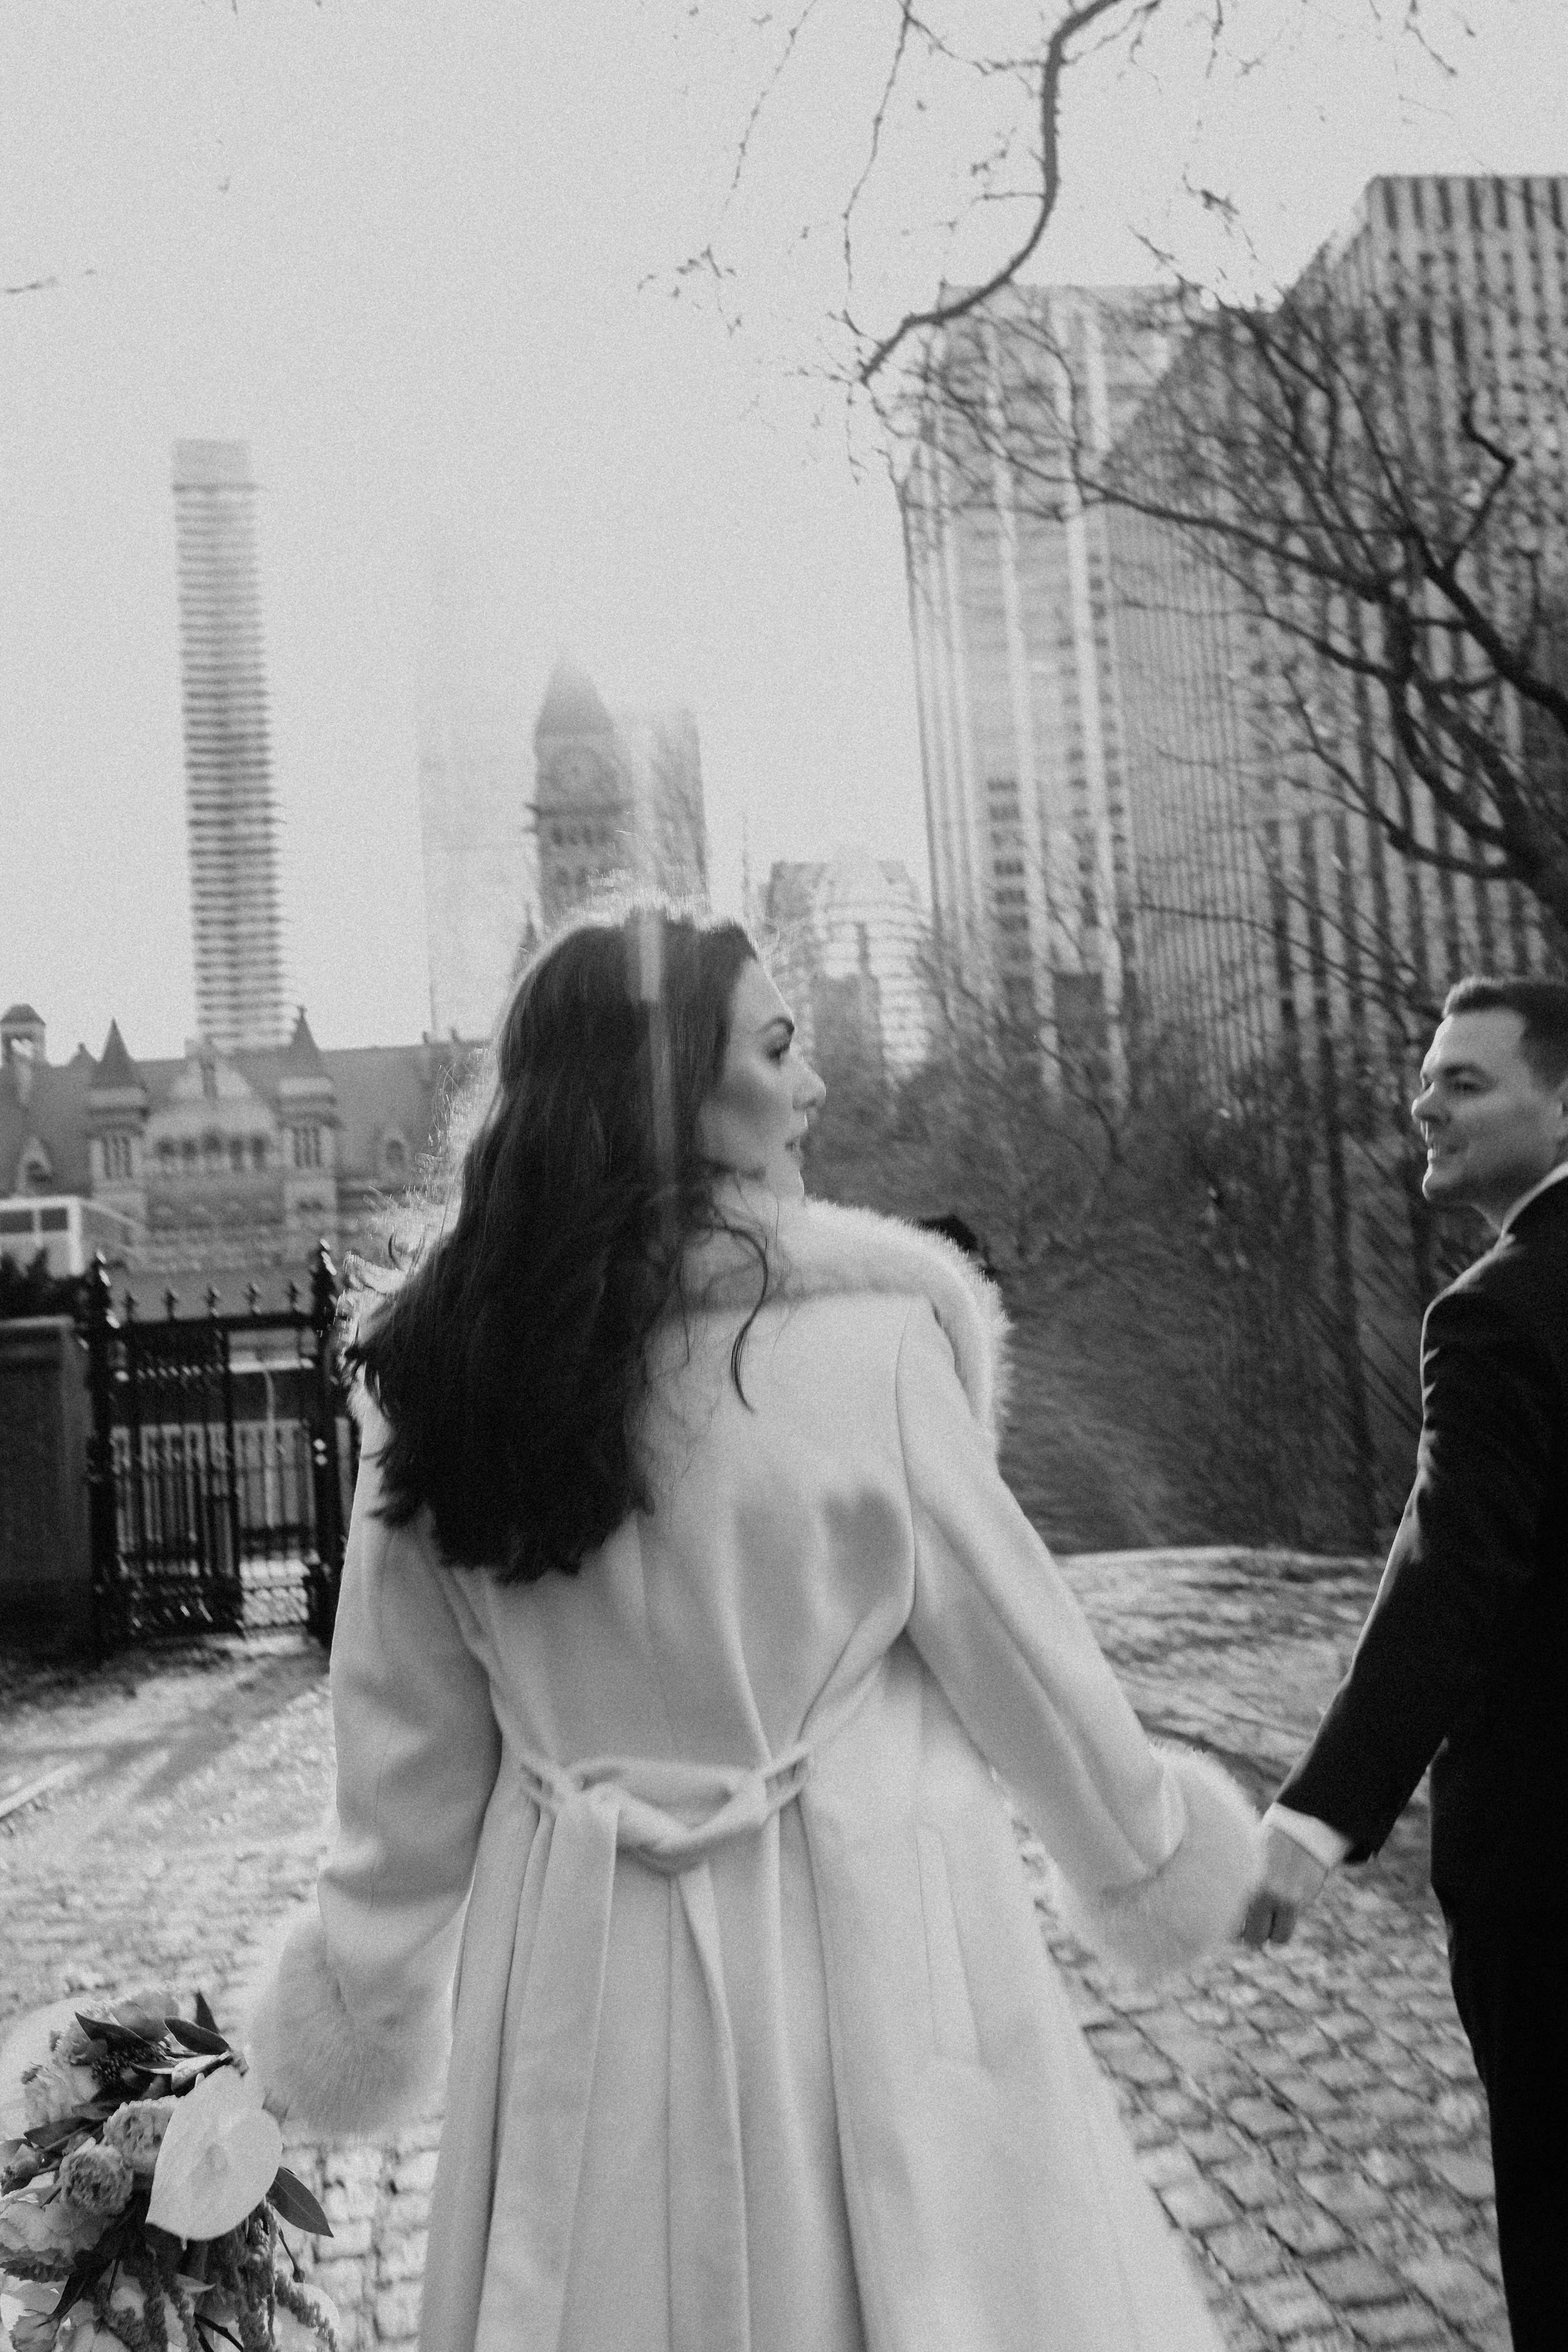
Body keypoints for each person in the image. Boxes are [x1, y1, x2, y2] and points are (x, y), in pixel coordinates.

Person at [250, 904, 1260, 2352]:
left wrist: (349, 1997)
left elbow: (402, 1760)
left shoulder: (444, 1377)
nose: (813, 1088)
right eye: (777, 1049)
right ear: (670, 1090)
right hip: (855, 1950)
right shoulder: (873, 1345)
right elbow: (1028, 1664)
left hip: (578, 1975)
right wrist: (1149, 1853)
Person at [1244, 974, 1568, 2352]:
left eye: (1463, 1081)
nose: (1420, 1102)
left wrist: (1313, 1818)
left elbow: (1451, 1579)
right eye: (1425, 1075)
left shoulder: (1496, 1311)